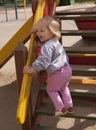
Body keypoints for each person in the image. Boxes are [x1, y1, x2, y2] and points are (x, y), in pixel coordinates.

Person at [23, 16, 73, 116]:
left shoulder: (47, 46)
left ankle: (61, 108)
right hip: (67, 70)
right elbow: (47, 45)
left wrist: (32, 69)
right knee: (63, 88)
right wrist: (36, 30)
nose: (38, 33)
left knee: (51, 90)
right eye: (38, 31)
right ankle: (69, 106)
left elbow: (43, 61)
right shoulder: (54, 41)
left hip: (58, 72)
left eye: (41, 31)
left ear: (50, 32)